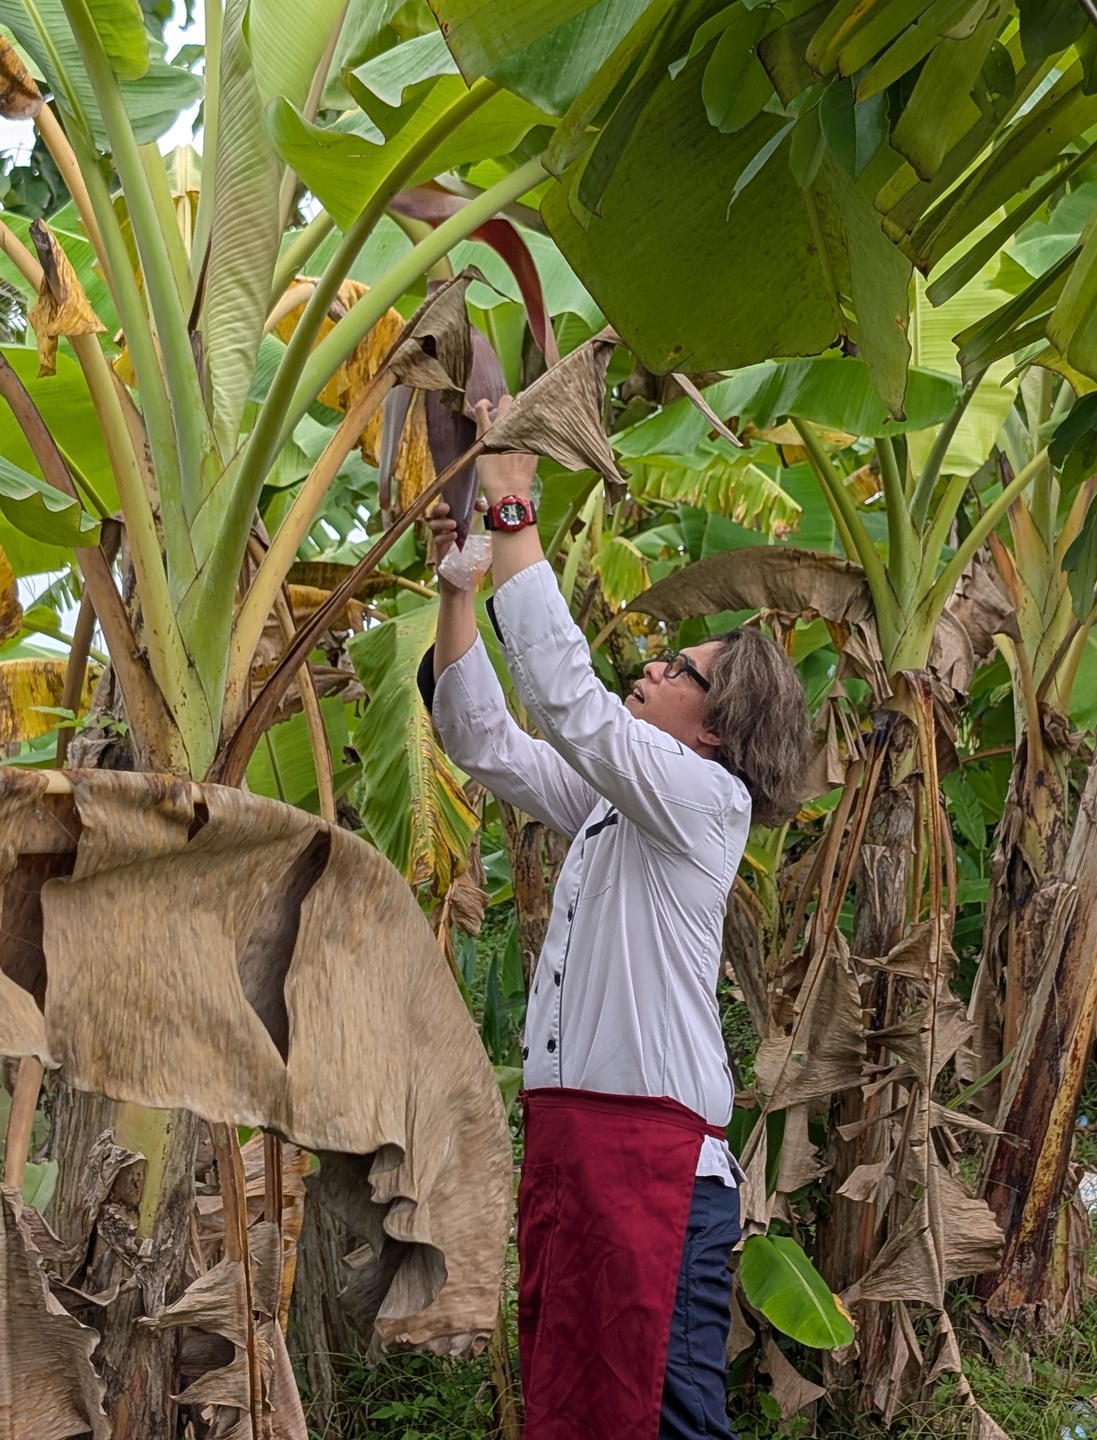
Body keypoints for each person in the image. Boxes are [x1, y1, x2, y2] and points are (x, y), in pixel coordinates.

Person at [418, 398, 809, 1440]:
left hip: (651, 1160)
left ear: (721, 730)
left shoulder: (703, 803)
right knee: (580, 1408)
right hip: (577, 1147)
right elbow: (486, 742)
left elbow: (565, 697)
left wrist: (512, 508)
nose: (656, 665)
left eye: (683, 670)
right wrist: (459, 586)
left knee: (665, 1418)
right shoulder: (615, 804)